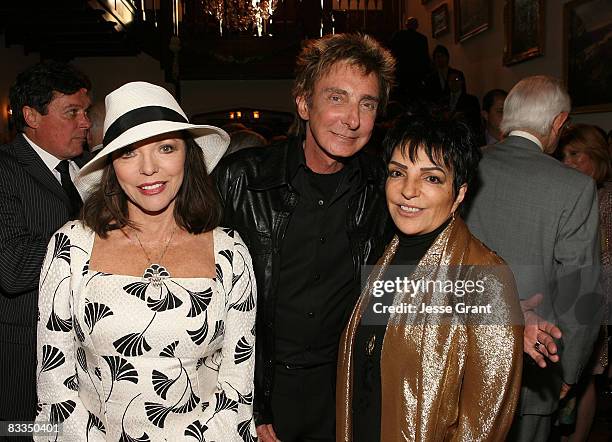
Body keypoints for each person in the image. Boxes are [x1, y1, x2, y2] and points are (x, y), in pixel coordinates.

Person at [34, 81, 257, 441]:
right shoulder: (70, 246)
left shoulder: (230, 253)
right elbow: (55, 387)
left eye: (165, 148)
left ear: (188, 154)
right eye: (128, 153)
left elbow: (236, 390)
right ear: (111, 166)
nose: (149, 168)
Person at [214, 33, 394, 442]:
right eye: (337, 98)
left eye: (367, 104)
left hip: (346, 394)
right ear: (303, 103)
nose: (352, 119)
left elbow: (429, 268)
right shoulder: (241, 179)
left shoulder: (385, 188)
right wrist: (249, 405)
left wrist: (508, 312)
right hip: (257, 390)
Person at [336, 114, 523, 441]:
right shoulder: (385, 254)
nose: (408, 191)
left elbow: (483, 426)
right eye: (398, 173)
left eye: (432, 178)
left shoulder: (486, 276)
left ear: (460, 193)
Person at [464, 76, 601, 441]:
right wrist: (568, 370)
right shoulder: (574, 187)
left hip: (459, 354)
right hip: (534, 364)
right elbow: (581, 286)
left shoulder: (460, 163)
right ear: (557, 123)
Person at [0, 60, 92, 431]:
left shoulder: (91, 169)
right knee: (24, 433)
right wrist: (98, 237)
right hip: (23, 355)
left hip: (88, 350)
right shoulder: (5, 170)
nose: (85, 122)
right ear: (31, 116)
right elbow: (13, 266)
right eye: (72, 112)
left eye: (86, 112)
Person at [558, 123, 611, 441]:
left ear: (595, 155)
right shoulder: (567, 196)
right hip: (566, 295)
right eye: (564, 155)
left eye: (576, 154)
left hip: (597, 297)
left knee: (586, 374)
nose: (568, 162)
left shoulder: (607, 199)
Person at [389, 16, 430, 102]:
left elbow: (391, 54)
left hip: (401, 75)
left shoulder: (398, 35)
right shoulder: (422, 39)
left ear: (406, 25)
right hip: (415, 76)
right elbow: (425, 60)